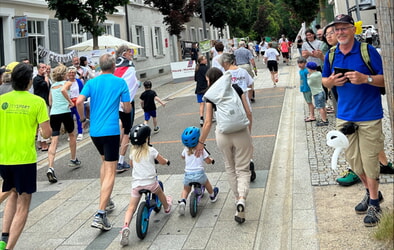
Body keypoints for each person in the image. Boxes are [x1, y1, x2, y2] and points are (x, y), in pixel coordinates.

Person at [322, 14, 385, 227]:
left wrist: (365, 78)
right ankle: (370, 192)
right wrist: (331, 81)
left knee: (369, 161)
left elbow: (385, 78)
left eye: (344, 28)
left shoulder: (368, 52)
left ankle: (375, 203)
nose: (339, 32)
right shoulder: (331, 54)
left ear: (353, 30)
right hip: (344, 116)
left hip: (369, 116)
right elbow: (324, 80)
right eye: (336, 29)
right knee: (353, 161)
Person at [76, 53, 131, 231]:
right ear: (114, 66)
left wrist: (84, 118)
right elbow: (127, 106)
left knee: (104, 162)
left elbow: (79, 101)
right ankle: (100, 213)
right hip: (111, 130)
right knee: (111, 170)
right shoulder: (120, 82)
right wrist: (126, 112)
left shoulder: (92, 82)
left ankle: (105, 201)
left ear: (100, 66)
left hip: (95, 132)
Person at [0, 62, 51, 250]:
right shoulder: (37, 102)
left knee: (12, 192)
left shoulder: (2, 100)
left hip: (4, 156)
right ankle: (9, 248)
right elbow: (46, 134)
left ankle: (3, 238)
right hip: (24, 158)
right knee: (24, 201)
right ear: (29, 82)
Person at [195, 67, 252, 224]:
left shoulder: (210, 95)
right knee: (243, 169)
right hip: (241, 131)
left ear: (210, 80)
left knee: (230, 167)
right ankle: (242, 198)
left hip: (223, 134)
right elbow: (248, 112)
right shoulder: (236, 87)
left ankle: (235, 197)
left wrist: (201, 143)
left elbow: (207, 122)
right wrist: (248, 131)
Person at [120, 124, 172, 246]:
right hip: (151, 184)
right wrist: (167, 162)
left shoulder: (132, 152)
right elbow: (162, 161)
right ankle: (166, 207)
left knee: (131, 208)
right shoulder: (151, 150)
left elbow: (132, 164)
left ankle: (125, 226)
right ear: (147, 139)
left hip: (137, 185)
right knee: (160, 193)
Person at [46, 65, 82, 183]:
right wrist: (70, 101)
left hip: (54, 113)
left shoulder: (52, 86)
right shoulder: (66, 83)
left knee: (54, 140)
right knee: (72, 134)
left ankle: (50, 167)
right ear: (64, 74)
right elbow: (63, 90)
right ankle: (73, 158)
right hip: (65, 112)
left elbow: (50, 101)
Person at [177, 126, 219, 215]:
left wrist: (185, 156)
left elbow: (182, 157)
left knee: (186, 189)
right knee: (207, 183)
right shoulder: (201, 150)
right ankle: (212, 195)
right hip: (199, 174)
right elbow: (207, 161)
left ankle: (183, 201)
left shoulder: (185, 149)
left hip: (188, 174)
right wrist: (211, 160)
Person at [114, 45, 140, 173]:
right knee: (126, 131)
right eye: (131, 52)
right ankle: (120, 161)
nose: (132, 54)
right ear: (124, 53)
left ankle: (113, 158)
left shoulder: (113, 65)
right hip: (125, 103)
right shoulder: (129, 66)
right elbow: (131, 86)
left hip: (112, 103)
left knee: (119, 128)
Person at [33, 63, 51, 151]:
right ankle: (43, 143)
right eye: (43, 67)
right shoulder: (37, 79)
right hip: (40, 103)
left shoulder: (43, 78)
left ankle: (41, 142)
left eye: (45, 67)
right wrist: (46, 76)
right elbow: (46, 84)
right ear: (39, 69)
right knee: (43, 123)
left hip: (46, 101)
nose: (45, 69)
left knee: (41, 123)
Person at [306, 62, 328, 126]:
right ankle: (325, 118)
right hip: (322, 91)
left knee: (319, 107)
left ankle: (323, 120)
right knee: (323, 106)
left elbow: (309, 83)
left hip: (317, 93)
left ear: (310, 69)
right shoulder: (319, 73)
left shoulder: (311, 76)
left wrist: (308, 77)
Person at [67, 66, 84, 141]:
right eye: (70, 72)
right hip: (69, 102)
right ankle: (71, 133)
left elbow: (82, 91)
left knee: (79, 117)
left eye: (73, 72)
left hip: (77, 101)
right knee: (69, 119)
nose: (71, 74)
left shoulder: (79, 81)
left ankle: (80, 132)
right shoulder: (66, 82)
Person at [297, 58, 315, 122]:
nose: (299, 65)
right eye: (298, 63)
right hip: (303, 88)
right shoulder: (300, 71)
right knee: (308, 102)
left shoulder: (306, 71)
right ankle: (311, 115)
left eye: (301, 63)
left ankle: (312, 116)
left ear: (305, 63)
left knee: (309, 102)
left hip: (307, 88)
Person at [194, 55, 209, 126]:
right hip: (206, 88)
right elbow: (208, 78)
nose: (206, 59)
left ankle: (201, 118)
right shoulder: (206, 68)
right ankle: (210, 117)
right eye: (204, 59)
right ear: (201, 61)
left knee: (201, 104)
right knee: (209, 103)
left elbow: (195, 79)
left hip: (199, 88)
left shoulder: (197, 68)